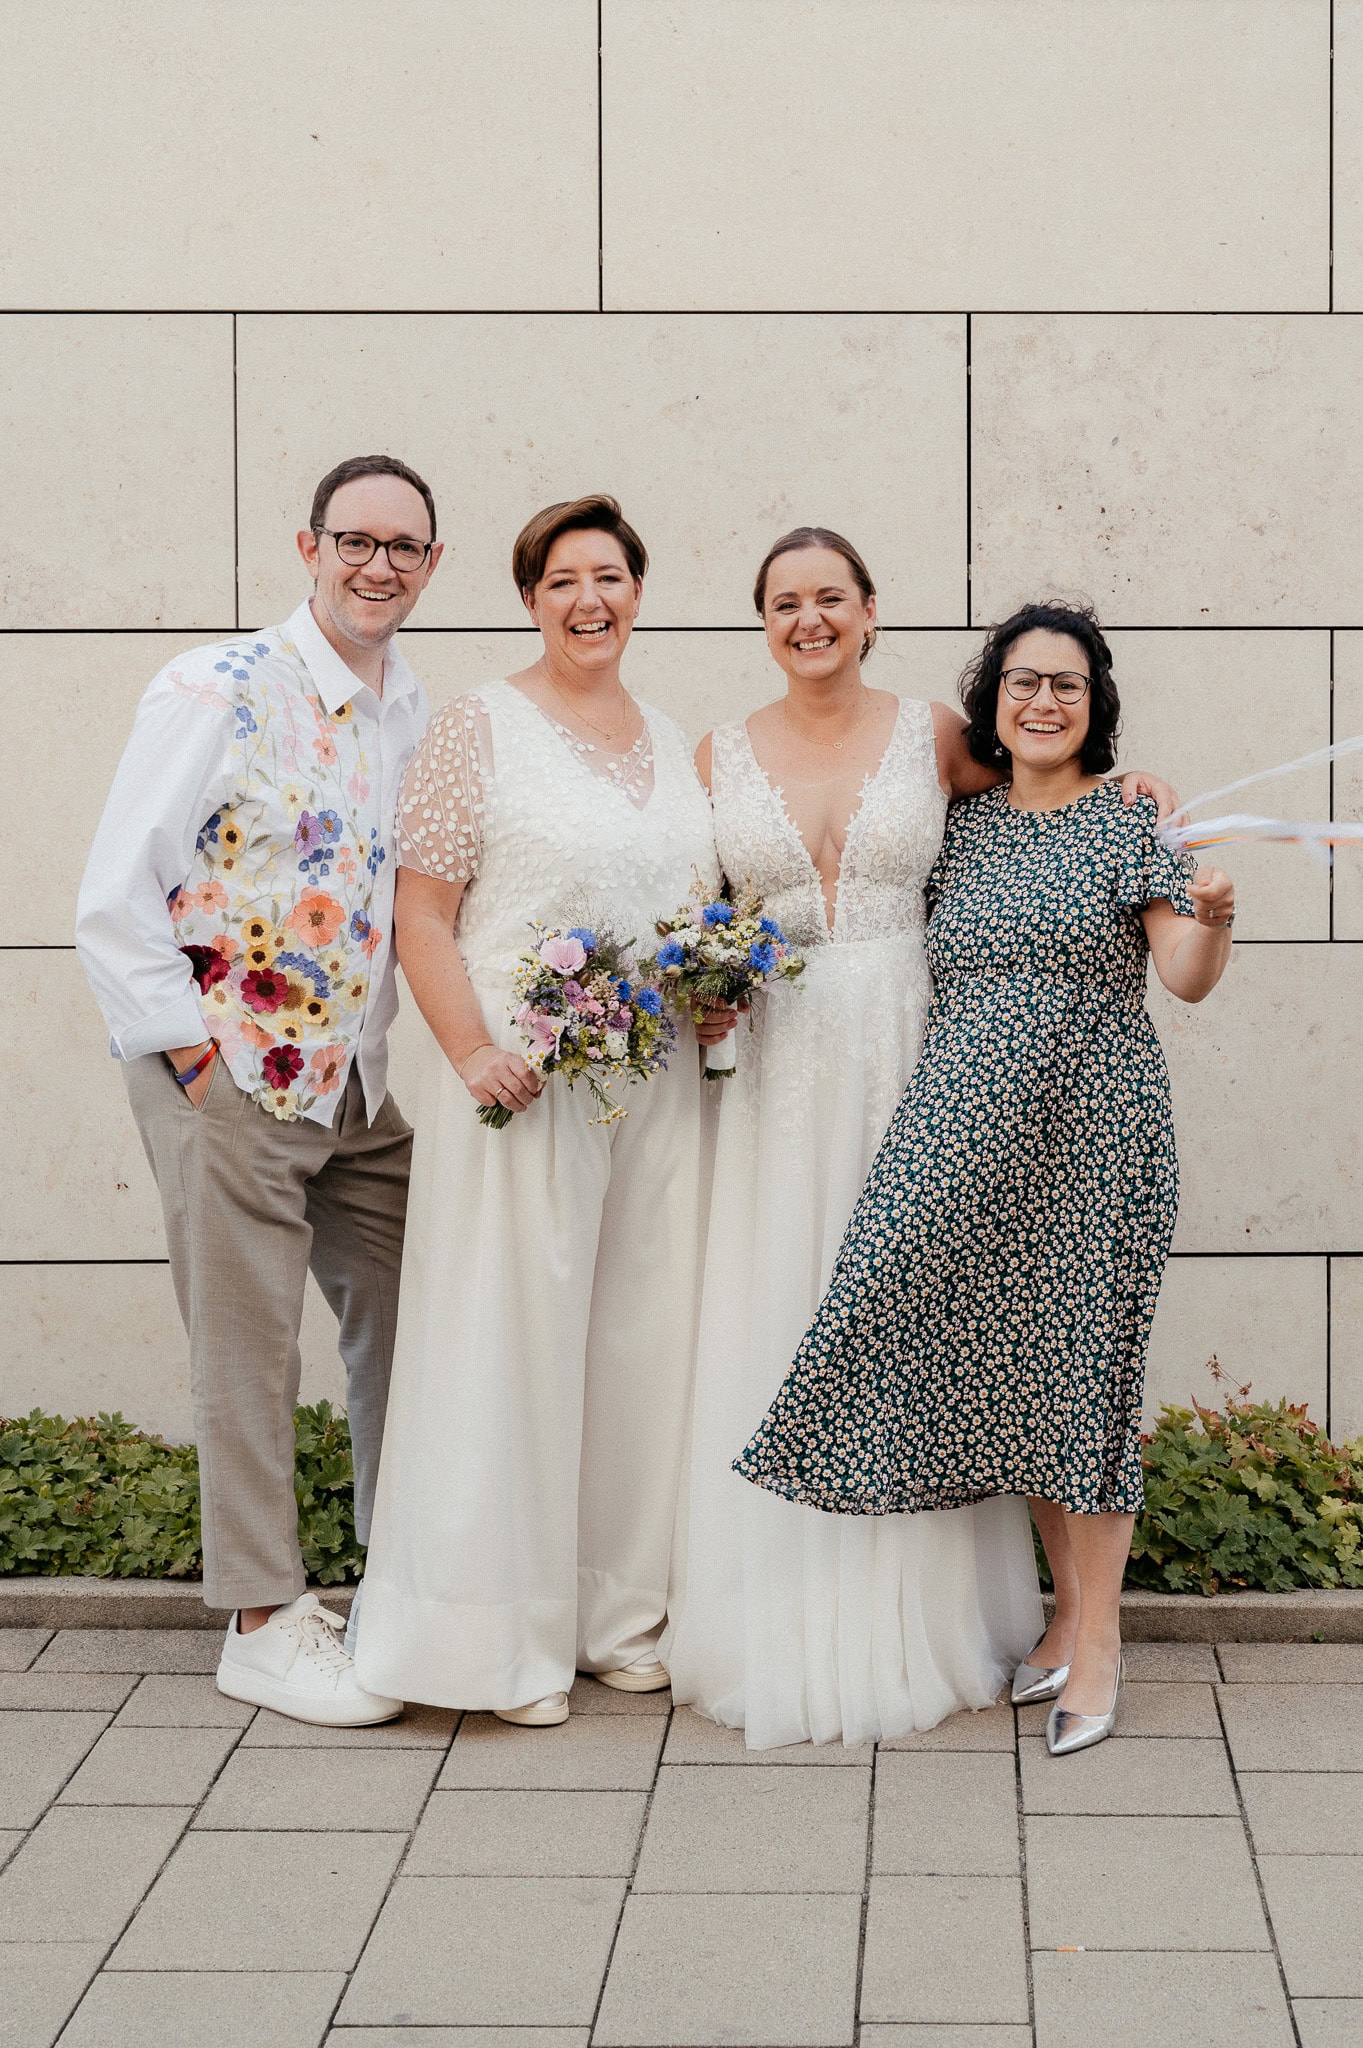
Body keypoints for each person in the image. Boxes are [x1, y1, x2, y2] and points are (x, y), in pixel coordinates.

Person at [735, 600, 1235, 1756]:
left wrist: (1211, 917)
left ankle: (1096, 1639)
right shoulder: (960, 826)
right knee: (1010, 1369)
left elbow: (1184, 972)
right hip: (960, 1126)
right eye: (1023, 682)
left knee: (1082, 1373)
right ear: (993, 701)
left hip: (1090, 1130)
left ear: (1093, 704)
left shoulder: (1130, 820)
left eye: (1066, 684)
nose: (1043, 701)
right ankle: (1062, 1616)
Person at [76, 453, 442, 1726]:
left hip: (357, 1085)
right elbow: (114, 892)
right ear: (309, 548)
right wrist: (193, 1057)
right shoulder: (215, 686)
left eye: (403, 546)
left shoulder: (414, 709)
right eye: (356, 540)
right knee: (245, 1350)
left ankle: (407, 1583)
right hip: (229, 1073)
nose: (378, 565)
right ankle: (259, 1620)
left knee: (412, 1315)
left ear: (432, 565)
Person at [354, 494, 721, 1726]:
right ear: (529, 600)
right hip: (520, 1079)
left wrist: (711, 993)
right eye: (561, 580)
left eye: (606, 576)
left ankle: (615, 1615)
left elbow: (691, 916)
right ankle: (490, 1639)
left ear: (637, 592)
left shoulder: (672, 739)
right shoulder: (478, 726)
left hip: (654, 1083)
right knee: (506, 1341)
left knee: (641, 1339)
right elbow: (421, 914)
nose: (586, 599)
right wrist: (470, 1050)